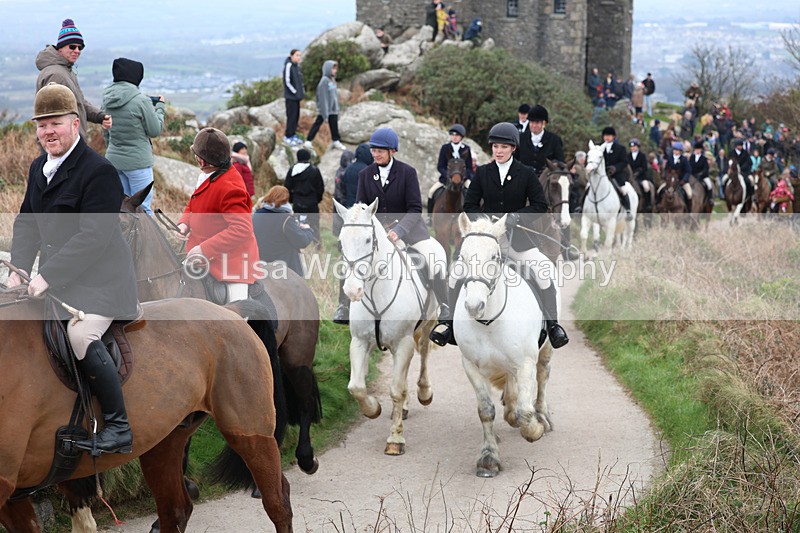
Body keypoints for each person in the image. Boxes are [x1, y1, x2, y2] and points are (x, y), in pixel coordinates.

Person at [8, 83, 138, 454]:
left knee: (81, 337)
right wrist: (18, 270)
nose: (47, 131)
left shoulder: (99, 171)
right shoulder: (39, 168)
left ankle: (118, 426)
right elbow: (27, 223)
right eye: (41, 125)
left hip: (101, 284)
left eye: (55, 123)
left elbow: (93, 237)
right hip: (60, 282)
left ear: (76, 124)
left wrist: (47, 275)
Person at [430, 122, 569, 349]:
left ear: (513, 148)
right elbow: (471, 205)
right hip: (487, 241)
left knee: (544, 271)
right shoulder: (484, 173)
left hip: (519, 242)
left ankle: (553, 326)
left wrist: (516, 217)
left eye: (504, 146)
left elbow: (540, 205)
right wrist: (485, 221)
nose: (499, 150)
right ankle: (449, 325)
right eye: (495, 146)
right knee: (456, 274)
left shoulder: (526, 174)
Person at [349, 128, 449, 329]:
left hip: (409, 231)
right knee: (351, 258)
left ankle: (445, 306)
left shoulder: (407, 172)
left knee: (432, 257)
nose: (376, 154)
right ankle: (344, 305)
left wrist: (399, 231)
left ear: (392, 151)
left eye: (380, 150)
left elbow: (414, 209)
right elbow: (362, 208)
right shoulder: (365, 174)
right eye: (373, 150)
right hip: (376, 233)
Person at [176, 127, 260, 304]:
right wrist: (184, 222)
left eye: (197, 155)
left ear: (202, 161)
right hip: (199, 254)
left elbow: (242, 229)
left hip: (232, 261)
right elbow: (194, 202)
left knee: (237, 318)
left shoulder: (230, 187)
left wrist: (205, 249)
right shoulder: (208, 175)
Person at [102, 57, 165, 215]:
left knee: (121, 209)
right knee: (143, 209)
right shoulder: (141, 100)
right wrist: (160, 108)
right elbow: (155, 130)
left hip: (114, 161)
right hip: (138, 163)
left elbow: (106, 132)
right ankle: (148, 240)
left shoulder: (107, 100)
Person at [35, 19, 112, 140]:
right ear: (60, 48)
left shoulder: (66, 71)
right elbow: (54, 116)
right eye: (72, 46)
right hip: (64, 144)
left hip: (69, 142)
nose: (76, 51)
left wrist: (99, 116)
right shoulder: (57, 75)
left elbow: (78, 103)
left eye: (80, 47)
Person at [332, 143, 373, 324]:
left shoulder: (347, 170)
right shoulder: (368, 170)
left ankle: (342, 305)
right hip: (363, 216)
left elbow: (339, 192)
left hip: (348, 215)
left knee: (346, 261)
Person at [253, 185, 315, 276]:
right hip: (286, 269)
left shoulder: (256, 215)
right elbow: (301, 241)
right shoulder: (286, 219)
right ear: (286, 199)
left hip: (260, 266)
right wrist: (308, 230)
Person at [427, 123, 474, 217]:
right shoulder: (445, 148)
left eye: (457, 135)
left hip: (463, 179)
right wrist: (448, 176)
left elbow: (469, 167)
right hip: (446, 179)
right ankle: (429, 217)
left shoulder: (466, 149)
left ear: (461, 137)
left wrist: (463, 177)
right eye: (452, 134)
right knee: (431, 192)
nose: (454, 137)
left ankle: (472, 217)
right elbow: (440, 166)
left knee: (473, 192)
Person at [284, 149, 324, 243]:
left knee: (297, 224)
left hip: (298, 202)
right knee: (314, 224)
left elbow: (287, 187)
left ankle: (298, 242)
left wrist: (291, 199)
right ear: (308, 157)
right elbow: (320, 187)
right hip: (312, 202)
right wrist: (317, 199)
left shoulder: (292, 170)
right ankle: (317, 244)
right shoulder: (314, 170)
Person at [514, 104, 564, 179]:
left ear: (544, 123)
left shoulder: (554, 140)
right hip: (523, 179)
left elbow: (560, 162)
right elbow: (515, 159)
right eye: (531, 122)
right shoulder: (521, 138)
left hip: (546, 181)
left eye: (537, 123)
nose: (533, 125)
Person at [306, 60, 345, 150]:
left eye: (335, 69)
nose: (335, 71)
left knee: (334, 125)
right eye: (333, 69)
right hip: (326, 109)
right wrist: (325, 112)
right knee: (318, 123)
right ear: (328, 69)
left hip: (333, 109)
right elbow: (323, 97)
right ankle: (308, 140)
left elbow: (334, 95)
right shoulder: (324, 81)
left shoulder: (332, 80)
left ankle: (336, 141)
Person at [601, 126, 633, 220]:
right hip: (602, 175)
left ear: (613, 137)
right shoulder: (599, 147)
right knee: (589, 186)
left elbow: (624, 162)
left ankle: (628, 210)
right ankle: (582, 207)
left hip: (616, 175)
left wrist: (615, 168)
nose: (607, 137)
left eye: (609, 135)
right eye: (605, 135)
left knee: (623, 190)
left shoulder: (620, 148)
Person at [282, 49, 305, 147]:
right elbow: (287, 81)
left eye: (300, 55)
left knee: (296, 116)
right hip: (291, 97)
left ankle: (293, 134)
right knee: (291, 116)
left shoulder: (297, 67)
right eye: (296, 55)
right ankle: (287, 136)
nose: (298, 57)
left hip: (297, 98)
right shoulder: (289, 65)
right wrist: (294, 92)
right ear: (291, 55)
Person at [628, 138, 651, 212]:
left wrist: (638, 172)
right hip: (630, 177)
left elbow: (644, 167)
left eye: (634, 146)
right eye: (631, 147)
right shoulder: (628, 156)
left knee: (646, 187)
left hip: (641, 177)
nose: (633, 148)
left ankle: (648, 204)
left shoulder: (642, 155)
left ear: (638, 147)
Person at [689, 141, 713, 208]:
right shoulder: (692, 157)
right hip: (693, 176)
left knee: (709, 185)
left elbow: (706, 168)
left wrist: (701, 174)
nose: (697, 151)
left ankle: (710, 199)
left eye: (699, 149)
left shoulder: (704, 159)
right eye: (696, 149)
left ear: (701, 150)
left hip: (702, 176)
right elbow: (689, 166)